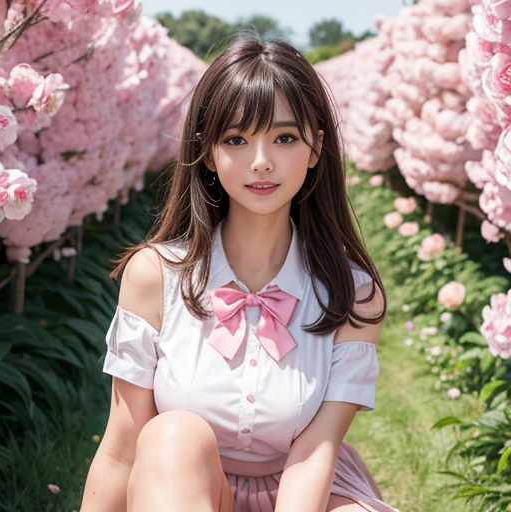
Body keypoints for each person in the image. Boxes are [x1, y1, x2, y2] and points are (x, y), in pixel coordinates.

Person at [80, 33, 401, 512]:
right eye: (236, 139)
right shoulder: (156, 276)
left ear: (316, 148)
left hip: (307, 489)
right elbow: (123, 448)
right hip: (177, 487)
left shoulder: (353, 295)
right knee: (173, 434)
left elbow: (315, 452)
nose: (261, 162)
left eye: (284, 138)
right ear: (208, 152)